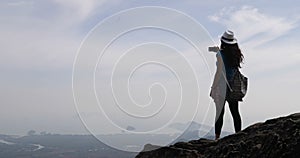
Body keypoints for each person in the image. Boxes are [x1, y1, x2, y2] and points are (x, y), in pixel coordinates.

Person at [210, 30, 244, 140]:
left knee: (220, 112)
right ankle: (239, 134)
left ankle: (217, 138)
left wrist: (213, 87)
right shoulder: (236, 54)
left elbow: (219, 72)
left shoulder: (220, 55)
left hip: (221, 86)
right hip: (233, 85)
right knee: (235, 112)